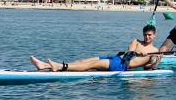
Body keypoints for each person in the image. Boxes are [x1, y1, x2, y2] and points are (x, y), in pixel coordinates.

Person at [31, 25, 162, 72]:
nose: (147, 37)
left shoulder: (155, 51)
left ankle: (59, 67)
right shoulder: (136, 41)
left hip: (122, 66)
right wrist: (135, 53)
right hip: (117, 59)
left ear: (154, 35)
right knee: (85, 61)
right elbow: (128, 53)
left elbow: (148, 67)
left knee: (93, 64)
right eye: (145, 34)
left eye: (149, 35)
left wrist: (156, 60)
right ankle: (45, 66)